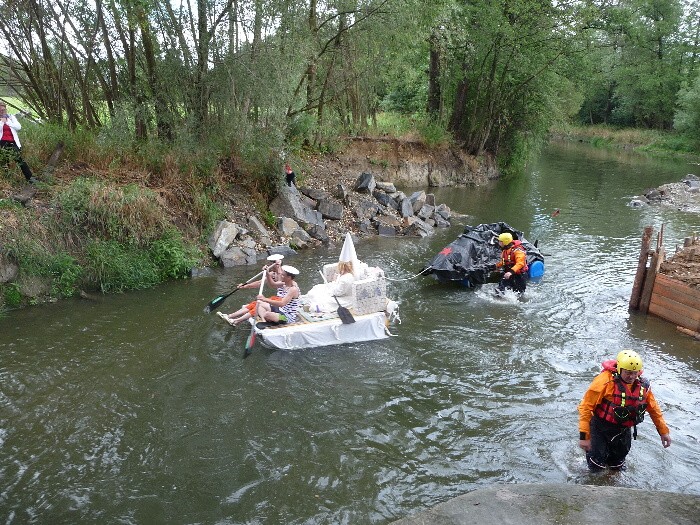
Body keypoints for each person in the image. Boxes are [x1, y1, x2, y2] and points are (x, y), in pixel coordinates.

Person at [578, 350, 671, 472]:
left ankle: (614, 487)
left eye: (634, 373)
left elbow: (654, 409)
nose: (632, 377)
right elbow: (586, 407)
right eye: (628, 373)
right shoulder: (604, 381)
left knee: (617, 466)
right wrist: (584, 436)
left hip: (623, 430)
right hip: (600, 427)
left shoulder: (643, 386)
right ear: (620, 369)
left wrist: (664, 432)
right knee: (596, 465)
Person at [302, 232, 365, 313]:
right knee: (316, 289)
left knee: (320, 297)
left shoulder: (346, 279)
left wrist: (333, 283)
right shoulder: (347, 274)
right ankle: (312, 305)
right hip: (340, 292)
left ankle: (316, 308)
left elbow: (338, 292)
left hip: (344, 298)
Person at [217, 254, 284, 326]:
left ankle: (236, 321)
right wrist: (245, 286)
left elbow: (276, 284)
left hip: (282, 301)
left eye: (271, 263)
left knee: (258, 304)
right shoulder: (272, 273)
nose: (269, 264)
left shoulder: (284, 273)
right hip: (277, 298)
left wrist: (277, 268)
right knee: (254, 303)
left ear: (275, 264)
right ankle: (230, 316)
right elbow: (259, 283)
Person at [0, 102, 36, 184]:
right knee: (4, 161)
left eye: (3, 109)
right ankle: (7, 180)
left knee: (20, 160)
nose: (2, 111)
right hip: (2, 142)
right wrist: (2, 122)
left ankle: (30, 178)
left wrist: (7, 122)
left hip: (13, 142)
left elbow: (18, 127)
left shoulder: (11, 117)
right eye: (0, 110)